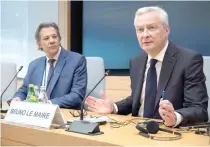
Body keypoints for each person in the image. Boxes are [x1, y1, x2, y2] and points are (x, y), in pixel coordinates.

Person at [85, 6, 209, 127]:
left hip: (170, 133)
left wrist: (175, 117)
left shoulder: (189, 60)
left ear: (167, 30)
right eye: (140, 29)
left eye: (151, 28)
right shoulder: (136, 61)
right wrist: (114, 107)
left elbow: (199, 109)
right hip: (138, 130)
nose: (145, 35)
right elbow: (137, 99)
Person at [12, 22, 87, 109]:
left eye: (54, 36)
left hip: (63, 115)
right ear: (39, 44)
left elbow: (77, 95)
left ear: (59, 39)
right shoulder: (34, 65)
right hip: (36, 115)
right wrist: (18, 98)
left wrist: (48, 104)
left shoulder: (77, 60)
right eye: (46, 38)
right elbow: (24, 90)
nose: (51, 41)